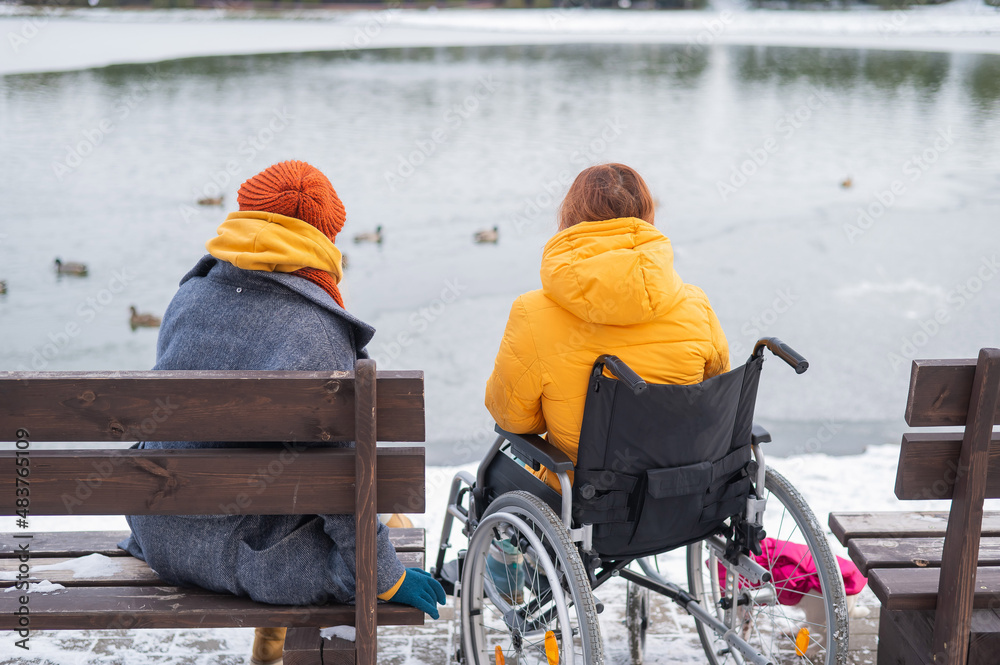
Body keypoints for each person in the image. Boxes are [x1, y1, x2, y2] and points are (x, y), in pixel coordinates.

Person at [118, 160, 445, 665]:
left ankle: (268, 656)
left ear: (245, 216)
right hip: (252, 561)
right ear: (324, 237)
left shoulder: (189, 296)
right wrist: (386, 576)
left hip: (160, 533)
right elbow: (342, 485)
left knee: (297, 496)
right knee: (382, 529)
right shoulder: (320, 331)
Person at [485, 163, 730, 492]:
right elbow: (712, 401)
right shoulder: (696, 305)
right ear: (647, 215)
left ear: (571, 216)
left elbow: (512, 418)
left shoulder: (532, 314)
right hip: (675, 497)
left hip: (582, 502)